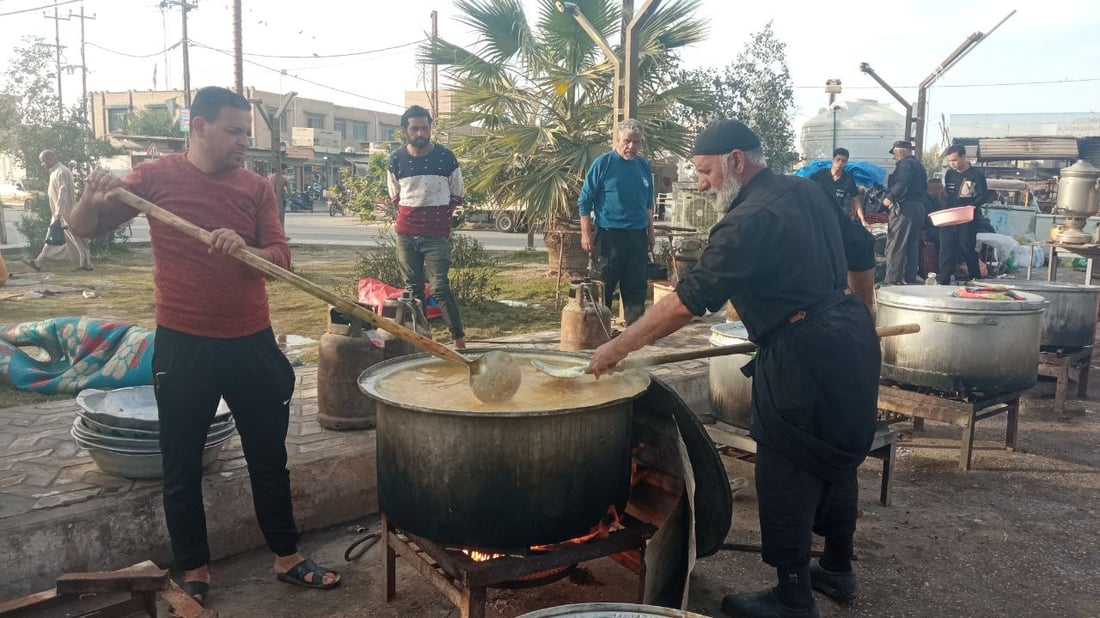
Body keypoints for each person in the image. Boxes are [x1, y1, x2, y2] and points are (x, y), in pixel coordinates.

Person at [589, 119, 880, 618]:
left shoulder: (748, 221)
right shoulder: (807, 190)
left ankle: (793, 596)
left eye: (704, 171)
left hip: (801, 353)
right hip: (850, 336)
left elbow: (687, 301)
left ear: (736, 161)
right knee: (835, 453)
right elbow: (860, 248)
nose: (700, 183)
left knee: (786, 464)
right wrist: (862, 314)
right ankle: (836, 568)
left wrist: (615, 349)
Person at [67, 86, 340, 609]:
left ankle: (286, 557)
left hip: (250, 343)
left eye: (246, 132)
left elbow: (281, 259)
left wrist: (247, 250)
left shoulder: (255, 187)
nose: (243, 141)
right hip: (184, 345)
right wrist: (91, 196)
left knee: (268, 457)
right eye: (234, 131)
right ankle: (195, 569)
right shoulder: (152, 179)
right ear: (198, 127)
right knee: (181, 462)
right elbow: (85, 228)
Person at [387, 104, 466, 348]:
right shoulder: (396, 160)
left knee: (441, 288)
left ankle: (459, 341)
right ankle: (423, 341)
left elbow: (457, 193)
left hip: (436, 236)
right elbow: (396, 197)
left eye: (425, 128)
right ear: (405, 131)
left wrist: (439, 218)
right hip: (406, 234)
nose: (420, 133)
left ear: (431, 128)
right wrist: (414, 217)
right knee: (414, 292)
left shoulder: (445, 157)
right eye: (415, 129)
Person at [579, 119, 655, 325]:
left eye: (637, 142)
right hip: (609, 236)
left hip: (637, 237)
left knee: (636, 289)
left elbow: (649, 202)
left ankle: (634, 336)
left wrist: (651, 232)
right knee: (602, 287)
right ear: (618, 139)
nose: (632, 146)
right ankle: (596, 333)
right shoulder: (603, 164)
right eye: (627, 141)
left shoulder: (643, 166)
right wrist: (586, 233)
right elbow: (585, 201)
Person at [24, 150, 93, 272]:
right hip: (61, 212)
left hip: (64, 213)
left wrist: (59, 213)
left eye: (43, 161)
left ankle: (85, 264)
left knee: (72, 238)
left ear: (50, 158)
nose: (42, 164)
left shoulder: (61, 171)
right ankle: (39, 262)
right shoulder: (56, 172)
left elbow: (63, 192)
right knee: (62, 238)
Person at [938, 145, 988, 285]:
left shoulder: (976, 175)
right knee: (946, 248)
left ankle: (974, 278)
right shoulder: (949, 174)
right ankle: (943, 280)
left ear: (963, 157)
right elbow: (948, 195)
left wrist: (972, 206)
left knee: (966, 247)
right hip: (950, 216)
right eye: (949, 161)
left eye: (954, 160)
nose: (952, 164)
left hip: (968, 216)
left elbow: (983, 195)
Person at [882, 140, 927, 285]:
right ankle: (910, 277)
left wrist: (890, 197)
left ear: (900, 152)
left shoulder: (905, 164)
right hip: (918, 208)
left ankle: (892, 280)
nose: (894, 158)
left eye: (894, 154)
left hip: (905, 208)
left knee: (896, 244)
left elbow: (902, 183)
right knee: (912, 245)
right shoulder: (918, 165)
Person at [810, 147, 868, 229]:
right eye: (838, 159)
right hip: (818, 214)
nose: (840, 163)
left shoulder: (848, 180)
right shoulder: (820, 175)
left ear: (846, 162)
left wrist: (863, 220)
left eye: (843, 161)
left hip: (835, 217)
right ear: (833, 159)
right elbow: (807, 187)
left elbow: (856, 201)